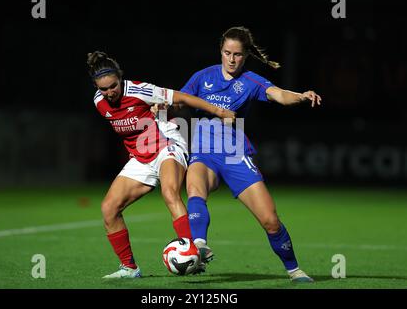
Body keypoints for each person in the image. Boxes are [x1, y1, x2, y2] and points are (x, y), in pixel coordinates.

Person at [181, 26, 322, 282]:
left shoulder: (250, 81)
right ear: (220, 52)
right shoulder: (203, 77)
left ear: (246, 55)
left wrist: (300, 96)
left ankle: (294, 269)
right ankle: (199, 244)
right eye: (227, 53)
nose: (231, 60)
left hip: (235, 155)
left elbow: (279, 94)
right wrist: (163, 103)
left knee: (270, 221)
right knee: (194, 189)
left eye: (237, 54)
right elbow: (180, 98)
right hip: (204, 152)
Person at [87, 51, 235, 278]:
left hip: (167, 145)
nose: (109, 92)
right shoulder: (99, 101)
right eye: (103, 89)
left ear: (120, 77)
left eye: (113, 86)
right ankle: (129, 268)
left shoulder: (139, 90)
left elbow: (182, 98)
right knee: (109, 209)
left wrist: (218, 111)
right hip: (140, 158)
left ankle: (193, 250)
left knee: (169, 192)